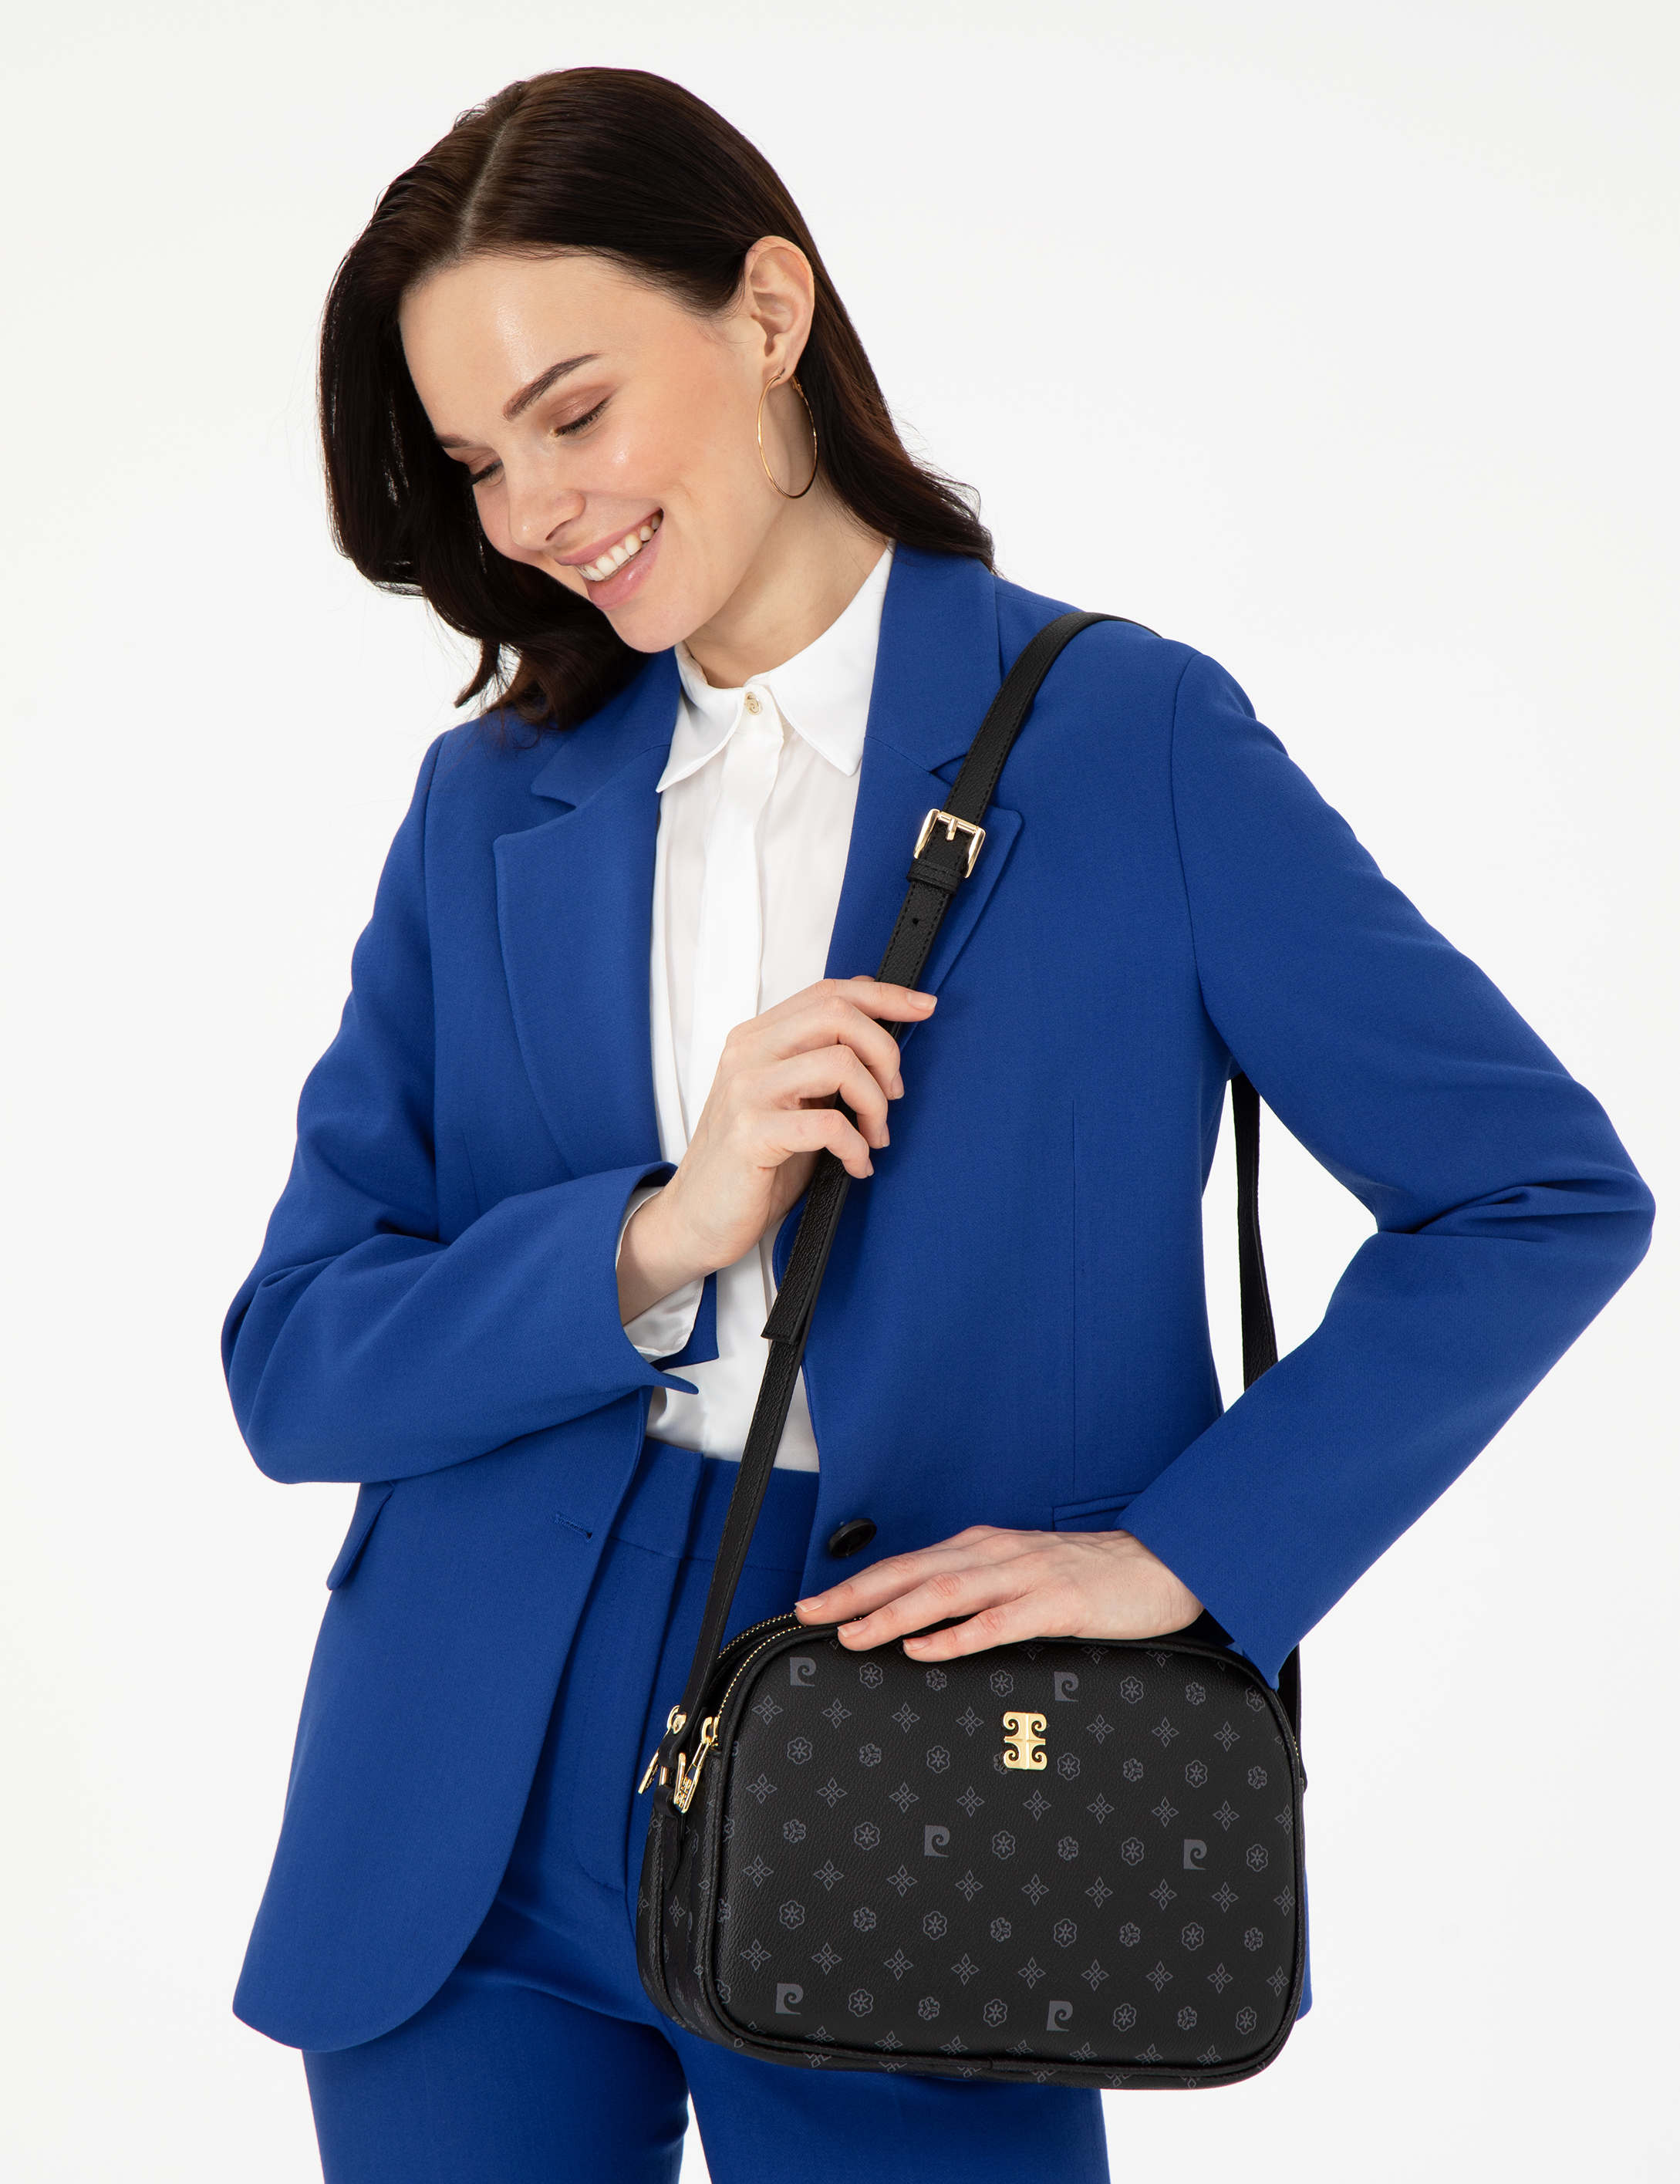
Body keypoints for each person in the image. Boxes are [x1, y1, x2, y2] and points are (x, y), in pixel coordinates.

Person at [222, 65, 1653, 2184]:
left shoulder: (1128, 738)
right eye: (477, 463)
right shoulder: (490, 800)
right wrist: (655, 1231)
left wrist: (1185, 1558)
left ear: (767, 310)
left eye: (574, 412)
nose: (533, 513)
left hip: (933, 1764)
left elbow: (1535, 1194)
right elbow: (295, 1360)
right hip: (460, 1798)